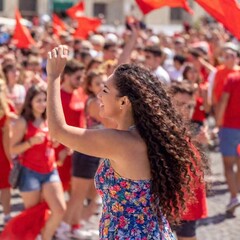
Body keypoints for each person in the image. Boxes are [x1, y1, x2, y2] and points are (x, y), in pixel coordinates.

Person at [47, 45, 205, 239]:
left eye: (105, 90)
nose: (99, 95)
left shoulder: (120, 142)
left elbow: (58, 131)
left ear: (123, 102)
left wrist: (54, 76)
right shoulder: (149, 136)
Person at [10, 84, 66, 240]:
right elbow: (13, 149)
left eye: (44, 100)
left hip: (50, 170)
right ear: (30, 102)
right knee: (33, 214)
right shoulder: (23, 122)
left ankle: (45, 237)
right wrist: (31, 142)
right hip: (29, 172)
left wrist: (54, 143)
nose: (42, 104)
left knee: (59, 209)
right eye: (38, 100)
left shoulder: (49, 119)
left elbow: (51, 144)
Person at [170, 81, 208, 240]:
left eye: (189, 106)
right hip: (168, 199)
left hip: (189, 199)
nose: (185, 110)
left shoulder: (191, 130)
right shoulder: (162, 130)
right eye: (180, 104)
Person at [216, 72, 240, 212]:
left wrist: (218, 122)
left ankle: (233, 197)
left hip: (230, 128)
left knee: (228, 165)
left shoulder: (232, 78)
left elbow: (224, 100)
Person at [0, 79, 12, 225]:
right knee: (5, 187)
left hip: (3, 152)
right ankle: (7, 215)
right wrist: (11, 158)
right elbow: (6, 138)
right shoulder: (6, 108)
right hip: (3, 153)